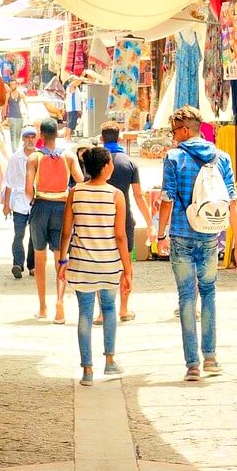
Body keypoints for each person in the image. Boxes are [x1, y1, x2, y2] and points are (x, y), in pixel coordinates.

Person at [159, 106, 233, 381]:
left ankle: (192, 364)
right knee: (210, 293)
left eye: (174, 131)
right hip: (210, 234)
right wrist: (236, 244)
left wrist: (159, 234)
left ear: (186, 129)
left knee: (187, 297)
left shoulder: (174, 157)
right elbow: (231, 201)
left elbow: (167, 197)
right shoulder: (221, 157)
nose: (173, 136)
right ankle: (211, 358)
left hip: (180, 233)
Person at [59, 146, 132, 386]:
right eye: (110, 163)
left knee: (84, 314)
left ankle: (87, 369)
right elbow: (120, 236)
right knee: (109, 309)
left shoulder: (75, 192)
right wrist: (127, 269)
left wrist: (62, 260)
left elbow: (66, 231)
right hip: (109, 264)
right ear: (104, 167)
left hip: (81, 264)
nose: (112, 166)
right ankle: (110, 361)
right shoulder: (115, 195)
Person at [25, 119, 76, 323]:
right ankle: (60, 301)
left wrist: (35, 198)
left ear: (41, 135)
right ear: (57, 133)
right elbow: (80, 182)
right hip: (62, 208)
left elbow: (28, 191)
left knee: (39, 259)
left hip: (41, 206)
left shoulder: (34, 158)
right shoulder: (69, 156)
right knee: (60, 257)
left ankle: (42, 306)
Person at [98, 123, 149, 322]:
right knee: (125, 263)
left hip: (100, 219)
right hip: (124, 219)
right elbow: (138, 195)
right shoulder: (129, 162)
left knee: (101, 264)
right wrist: (150, 222)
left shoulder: (95, 160)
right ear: (119, 139)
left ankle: (102, 312)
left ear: (102, 139)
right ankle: (123, 308)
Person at [1, 126, 41, 279]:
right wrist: (6, 205)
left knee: (34, 235)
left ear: (36, 138)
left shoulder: (40, 157)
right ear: (23, 139)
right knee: (19, 234)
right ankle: (17, 263)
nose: (30, 140)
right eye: (27, 137)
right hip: (18, 202)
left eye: (32, 137)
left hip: (36, 200)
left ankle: (32, 265)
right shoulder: (15, 158)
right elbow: (9, 183)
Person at [5, 82, 29, 147]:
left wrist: (28, 113)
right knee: (13, 135)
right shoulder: (8, 94)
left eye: (13, 84)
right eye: (11, 84)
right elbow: (5, 106)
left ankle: (16, 151)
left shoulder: (20, 94)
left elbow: (26, 103)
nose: (12, 86)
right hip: (11, 116)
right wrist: (5, 116)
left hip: (20, 116)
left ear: (16, 85)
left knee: (18, 136)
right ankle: (14, 152)